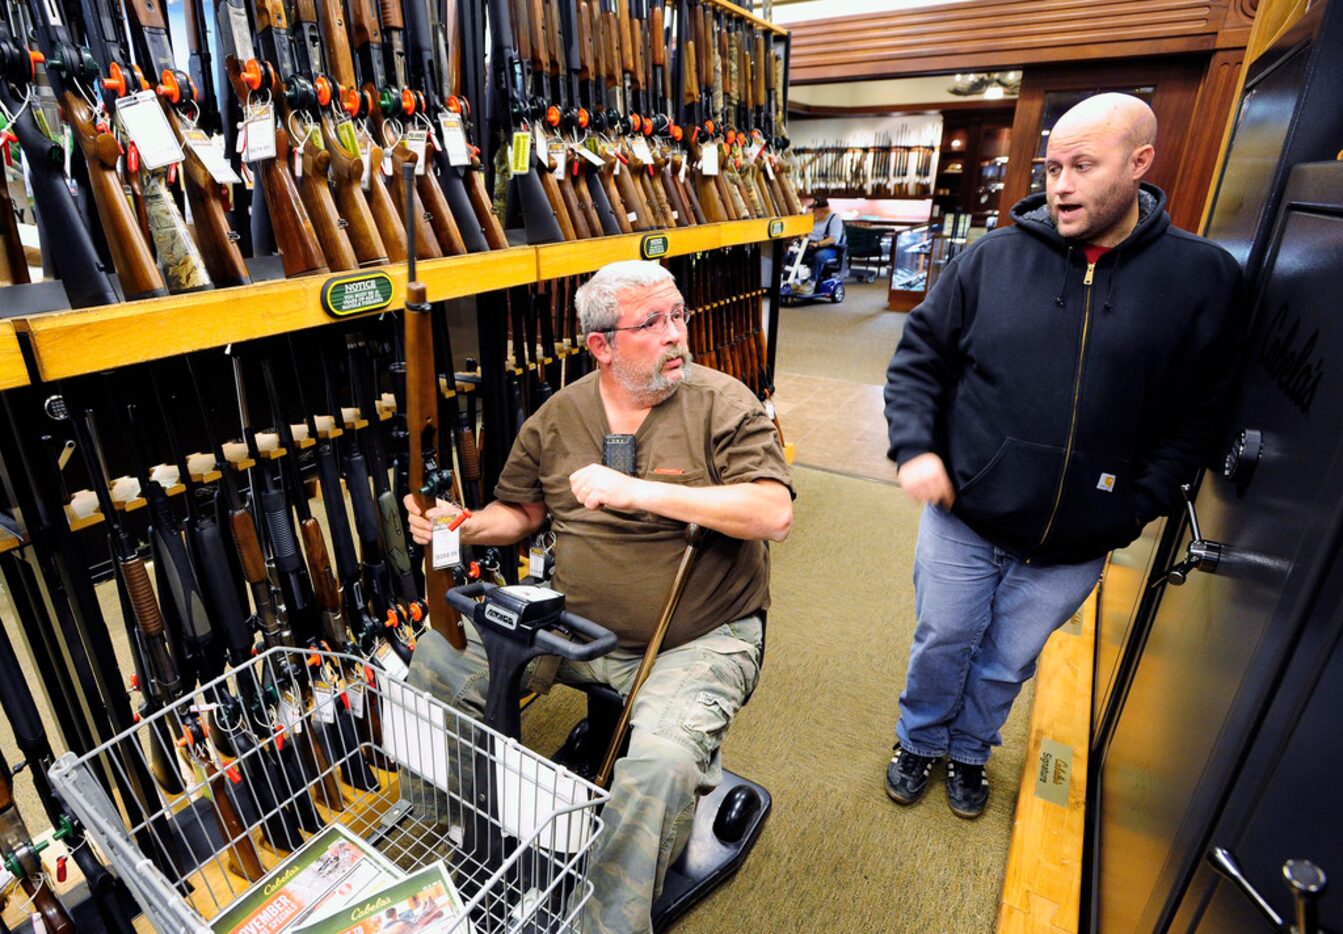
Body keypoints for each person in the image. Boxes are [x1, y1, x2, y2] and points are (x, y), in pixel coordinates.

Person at [403, 260, 794, 933]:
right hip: (571, 621)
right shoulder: (559, 417)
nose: (676, 335)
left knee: (661, 762)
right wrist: (462, 527)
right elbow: (520, 513)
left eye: (679, 316)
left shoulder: (722, 402)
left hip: (700, 635)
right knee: (437, 668)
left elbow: (772, 513)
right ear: (601, 345)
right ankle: (467, 840)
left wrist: (640, 491)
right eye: (652, 323)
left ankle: (607, 923)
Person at [882, 93, 1242, 819]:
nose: (1060, 185)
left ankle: (969, 752)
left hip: (1079, 535)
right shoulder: (990, 259)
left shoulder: (1201, 278)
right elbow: (917, 360)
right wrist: (916, 447)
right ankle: (917, 740)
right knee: (943, 641)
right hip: (965, 513)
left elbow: (1201, 412)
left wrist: (1138, 503)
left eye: (1083, 166)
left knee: (1007, 662)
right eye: (1052, 167)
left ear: (1139, 165)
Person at [802, 196, 845, 291]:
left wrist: (818, 244)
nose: (813, 211)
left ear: (824, 210)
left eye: (815, 209)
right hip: (811, 244)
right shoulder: (815, 218)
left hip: (829, 248)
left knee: (819, 256)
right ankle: (795, 279)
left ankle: (812, 282)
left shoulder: (835, 219)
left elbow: (833, 239)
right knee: (795, 254)